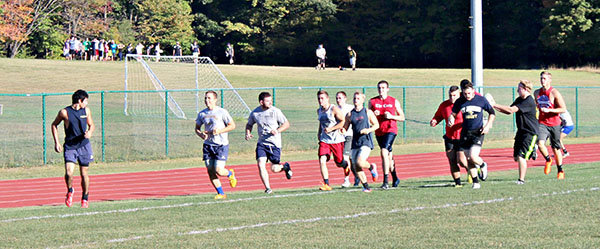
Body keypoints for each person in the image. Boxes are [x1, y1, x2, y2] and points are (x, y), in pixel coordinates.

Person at [51, 90, 95, 208]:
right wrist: (57, 143)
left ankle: (85, 198)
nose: (87, 103)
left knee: (84, 173)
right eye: (86, 101)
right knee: (69, 173)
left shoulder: (86, 111)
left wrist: (90, 132)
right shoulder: (64, 112)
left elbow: (91, 125)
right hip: (70, 147)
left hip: (84, 146)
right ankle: (70, 191)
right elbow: (54, 125)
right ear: (80, 101)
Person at [448, 80, 495, 189]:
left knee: (473, 156)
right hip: (465, 133)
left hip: (478, 132)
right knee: (468, 158)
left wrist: (488, 125)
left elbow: (492, 113)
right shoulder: (460, 101)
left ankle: (483, 165)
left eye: (469, 93)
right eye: (465, 94)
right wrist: (451, 119)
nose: (467, 96)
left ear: (473, 90)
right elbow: (453, 114)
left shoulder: (481, 100)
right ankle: (475, 182)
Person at [245, 92, 293, 194]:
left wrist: (277, 130)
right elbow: (249, 124)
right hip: (262, 143)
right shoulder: (255, 113)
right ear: (261, 102)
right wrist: (248, 133)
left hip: (274, 144)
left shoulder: (276, 111)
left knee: (274, 168)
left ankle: (285, 167)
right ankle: (268, 188)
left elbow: (286, 124)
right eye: (268, 101)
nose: (270, 102)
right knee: (260, 164)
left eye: (271, 100)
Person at [492, 80, 538, 184]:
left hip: (530, 132)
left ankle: (521, 180)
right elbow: (508, 111)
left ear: (526, 89)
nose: (517, 90)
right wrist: (494, 106)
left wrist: (495, 104)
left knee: (521, 157)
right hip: (521, 132)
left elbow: (510, 110)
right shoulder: (519, 99)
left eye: (519, 88)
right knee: (516, 158)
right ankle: (532, 150)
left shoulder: (528, 101)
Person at [195, 91, 238, 199]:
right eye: (205, 98)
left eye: (209, 98)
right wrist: (201, 135)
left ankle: (230, 174)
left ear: (215, 100)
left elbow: (232, 126)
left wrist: (219, 131)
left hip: (221, 145)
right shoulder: (202, 114)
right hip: (208, 145)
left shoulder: (222, 112)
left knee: (218, 170)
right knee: (210, 171)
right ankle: (221, 193)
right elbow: (197, 128)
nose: (207, 100)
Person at [368, 80, 405, 189]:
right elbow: (368, 118)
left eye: (383, 88)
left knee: (383, 152)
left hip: (391, 130)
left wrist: (391, 116)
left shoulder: (393, 101)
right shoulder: (373, 101)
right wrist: (374, 115)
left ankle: (385, 182)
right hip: (379, 131)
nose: (381, 90)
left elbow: (402, 117)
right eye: (379, 88)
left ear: (387, 89)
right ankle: (395, 177)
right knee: (388, 157)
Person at [430, 85, 467, 187]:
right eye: (450, 95)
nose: (452, 98)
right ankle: (458, 183)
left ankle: (472, 171)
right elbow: (438, 116)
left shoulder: (463, 104)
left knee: (462, 160)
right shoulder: (444, 105)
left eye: (454, 95)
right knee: (452, 160)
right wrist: (434, 121)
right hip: (449, 137)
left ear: (459, 94)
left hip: (462, 136)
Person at [343, 92, 380, 192]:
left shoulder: (367, 112)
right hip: (355, 142)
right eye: (354, 98)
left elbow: (376, 125)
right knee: (356, 166)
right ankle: (366, 187)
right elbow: (345, 128)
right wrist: (339, 130)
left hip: (365, 141)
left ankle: (371, 167)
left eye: (358, 98)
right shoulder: (350, 114)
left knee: (360, 162)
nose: (356, 100)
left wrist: (368, 130)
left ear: (363, 100)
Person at [534, 71, 567, 179]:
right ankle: (548, 160)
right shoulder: (536, 93)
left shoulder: (554, 92)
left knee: (555, 148)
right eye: (541, 78)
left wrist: (550, 110)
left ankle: (560, 170)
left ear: (549, 80)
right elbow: (536, 106)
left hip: (555, 123)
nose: (542, 80)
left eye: (544, 78)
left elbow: (563, 109)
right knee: (540, 143)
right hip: (542, 123)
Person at [316, 90, 351, 191]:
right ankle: (326, 184)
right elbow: (321, 123)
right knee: (322, 160)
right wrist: (319, 133)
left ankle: (345, 165)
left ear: (327, 99)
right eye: (319, 98)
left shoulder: (333, 109)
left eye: (322, 98)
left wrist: (331, 129)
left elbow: (343, 121)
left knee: (339, 162)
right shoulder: (319, 111)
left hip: (336, 140)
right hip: (325, 140)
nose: (320, 100)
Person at [336, 91, 360, 187]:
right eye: (337, 98)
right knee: (347, 160)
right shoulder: (335, 109)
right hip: (338, 138)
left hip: (349, 136)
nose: (338, 100)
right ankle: (357, 176)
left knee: (345, 158)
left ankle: (346, 180)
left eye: (340, 98)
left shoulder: (350, 108)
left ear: (345, 98)